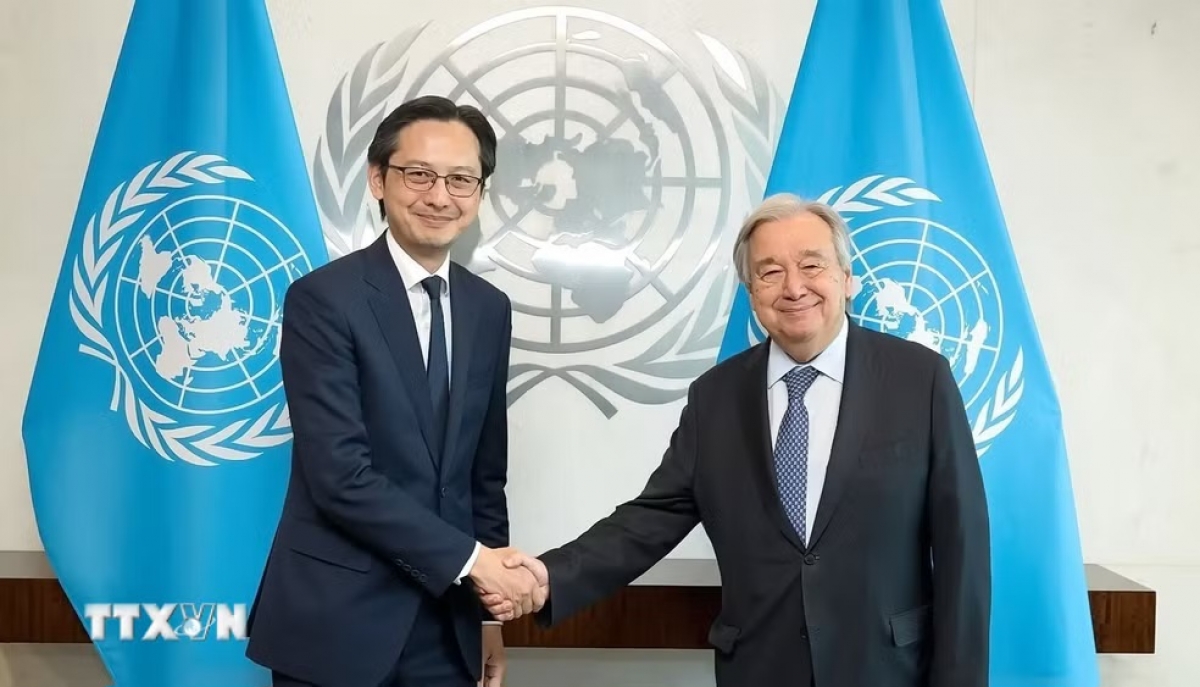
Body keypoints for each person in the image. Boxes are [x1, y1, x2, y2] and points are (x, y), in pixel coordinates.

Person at [489, 195, 992, 687]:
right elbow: (649, 520)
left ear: (847, 278)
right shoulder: (716, 397)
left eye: (811, 265)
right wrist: (547, 577)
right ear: (752, 294)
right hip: (759, 667)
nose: (794, 287)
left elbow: (961, 546)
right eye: (770, 272)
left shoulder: (919, 379)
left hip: (888, 670)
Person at [246, 95, 542, 687]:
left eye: (461, 179)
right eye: (419, 174)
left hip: (447, 628)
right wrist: (477, 564)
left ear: (481, 193)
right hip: (336, 623)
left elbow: (484, 477)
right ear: (379, 180)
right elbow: (339, 477)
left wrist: (488, 620)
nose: (440, 196)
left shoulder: (490, 309)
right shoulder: (324, 300)